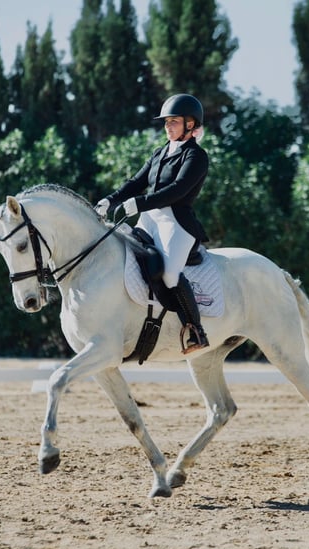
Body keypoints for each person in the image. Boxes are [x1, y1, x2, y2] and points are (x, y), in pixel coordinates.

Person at [95, 93, 210, 354]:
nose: (168, 126)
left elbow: (177, 191)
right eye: (166, 122)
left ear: (190, 124)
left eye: (174, 122)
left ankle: (195, 330)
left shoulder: (196, 156)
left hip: (176, 223)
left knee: (169, 273)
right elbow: (136, 182)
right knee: (122, 253)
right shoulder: (160, 153)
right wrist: (109, 200)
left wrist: (140, 203)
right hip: (150, 219)